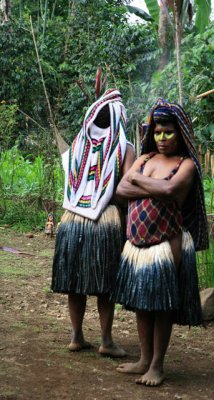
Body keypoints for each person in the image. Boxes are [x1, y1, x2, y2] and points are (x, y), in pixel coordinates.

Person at [112, 98, 209, 385]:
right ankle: (143, 358)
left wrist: (139, 182)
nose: (162, 138)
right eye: (157, 132)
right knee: (143, 302)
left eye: (168, 132)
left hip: (166, 243)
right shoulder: (144, 159)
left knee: (161, 304)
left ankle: (157, 365)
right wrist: (151, 186)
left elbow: (169, 189)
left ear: (180, 133)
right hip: (137, 243)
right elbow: (120, 188)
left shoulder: (187, 164)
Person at [51, 88, 135, 357]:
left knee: (74, 279)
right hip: (106, 219)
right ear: (119, 118)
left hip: (71, 220)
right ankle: (106, 340)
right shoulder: (124, 147)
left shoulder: (78, 144)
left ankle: (76, 336)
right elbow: (128, 185)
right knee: (104, 283)